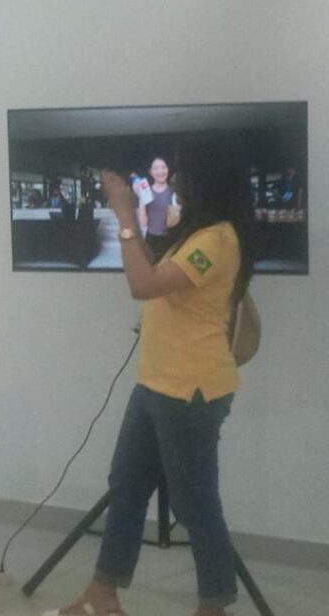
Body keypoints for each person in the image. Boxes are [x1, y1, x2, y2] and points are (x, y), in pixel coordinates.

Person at [51, 132, 259, 616]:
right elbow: (153, 274)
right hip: (155, 383)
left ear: (206, 178)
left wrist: (125, 214)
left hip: (191, 390)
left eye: (183, 171)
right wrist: (132, 224)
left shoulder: (217, 238)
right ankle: (103, 594)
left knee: (195, 505)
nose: (176, 179)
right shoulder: (195, 233)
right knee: (125, 486)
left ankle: (214, 606)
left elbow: (142, 285)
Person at [136, 156, 177, 259]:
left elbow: (175, 221)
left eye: (163, 167)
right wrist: (141, 198)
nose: (160, 171)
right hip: (151, 240)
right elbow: (143, 224)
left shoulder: (174, 192)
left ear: (168, 169)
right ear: (150, 171)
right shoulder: (146, 192)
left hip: (170, 240)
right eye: (156, 168)